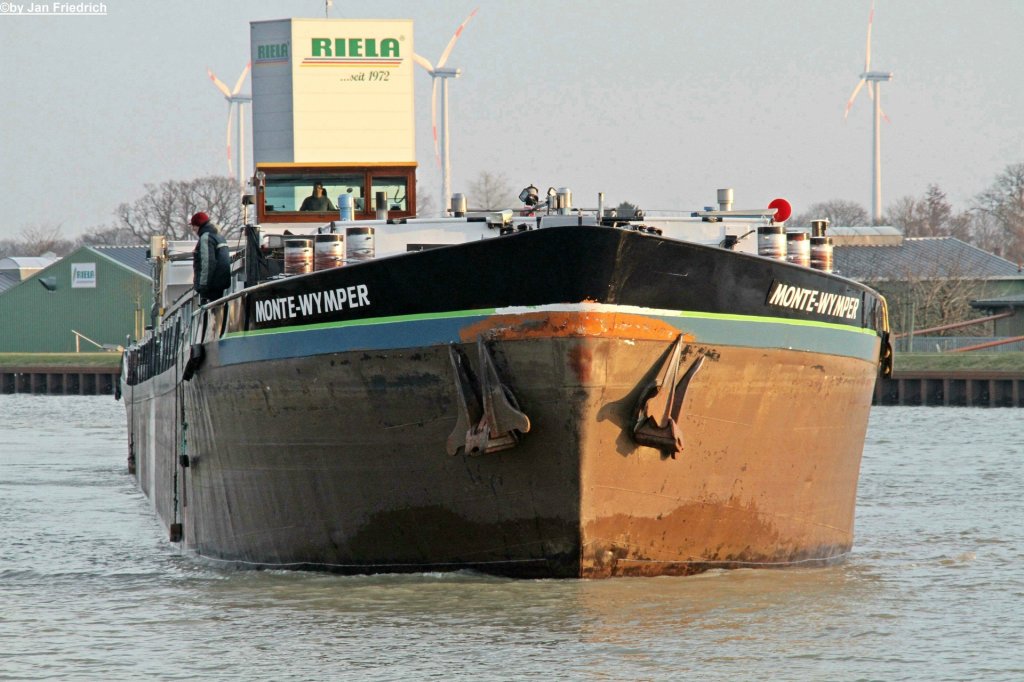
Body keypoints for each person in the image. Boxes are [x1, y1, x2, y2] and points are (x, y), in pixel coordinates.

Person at [190, 212, 231, 303]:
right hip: (221, 285)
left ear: (199, 225)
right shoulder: (219, 236)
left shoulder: (206, 237)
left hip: (211, 288)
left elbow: (207, 263)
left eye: (194, 226)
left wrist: (203, 286)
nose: (193, 229)